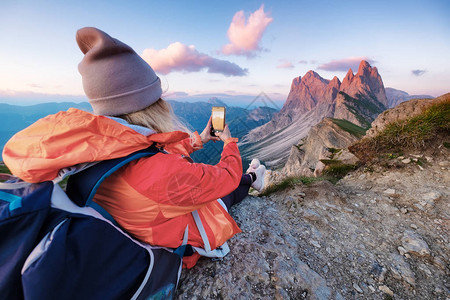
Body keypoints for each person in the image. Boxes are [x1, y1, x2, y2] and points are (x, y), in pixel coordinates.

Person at [2, 27, 266, 268]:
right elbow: (224, 178)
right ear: (149, 105)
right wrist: (229, 143)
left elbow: (144, 153)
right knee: (220, 198)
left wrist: (198, 140)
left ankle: (253, 177)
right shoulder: (163, 172)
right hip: (170, 242)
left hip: (133, 224)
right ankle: (254, 177)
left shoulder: (96, 147)